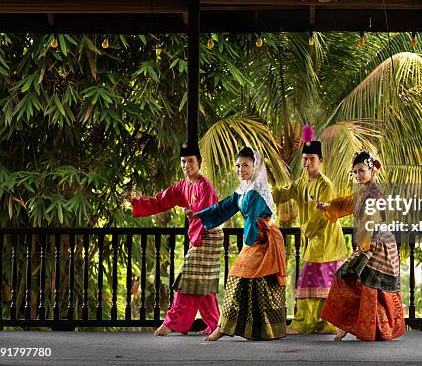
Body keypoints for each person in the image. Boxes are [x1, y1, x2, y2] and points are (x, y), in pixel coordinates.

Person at [122, 142, 223, 336]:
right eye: (183, 162)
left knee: (188, 278)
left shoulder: (205, 186)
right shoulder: (182, 186)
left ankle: (171, 323)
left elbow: (209, 213)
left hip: (208, 237)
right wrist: (134, 202)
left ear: (199, 162)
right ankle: (216, 324)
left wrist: (195, 213)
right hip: (198, 237)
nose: (187, 165)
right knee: (200, 282)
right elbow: (161, 201)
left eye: (191, 161)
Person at [197, 147, 286, 341]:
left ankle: (225, 328)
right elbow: (226, 206)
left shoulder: (256, 191)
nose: (240, 169)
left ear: (256, 166)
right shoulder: (244, 189)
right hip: (256, 239)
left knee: (240, 276)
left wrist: (247, 245)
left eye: (245, 165)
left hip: (262, 239)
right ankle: (258, 330)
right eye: (238, 165)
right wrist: (200, 215)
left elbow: (253, 220)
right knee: (252, 281)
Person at [317, 151, 406, 341]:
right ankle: (358, 327)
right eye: (355, 171)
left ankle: (375, 329)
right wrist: (328, 206)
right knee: (359, 283)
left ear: (372, 171)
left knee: (369, 286)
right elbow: (346, 203)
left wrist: (364, 247)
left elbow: (371, 220)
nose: (358, 175)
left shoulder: (374, 194)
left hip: (378, 244)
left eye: (361, 171)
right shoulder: (363, 193)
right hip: (369, 243)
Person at [272, 124, 346, 334]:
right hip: (312, 239)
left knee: (312, 279)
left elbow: (322, 215)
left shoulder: (325, 184)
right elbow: (283, 193)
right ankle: (322, 324)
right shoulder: (301, 182)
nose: (307, 162)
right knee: (319, 282)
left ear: (320, 161)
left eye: (311, 158)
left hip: (325, 238)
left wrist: (307, 231)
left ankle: (306, 323)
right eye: (304, 159)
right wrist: (264, 189)